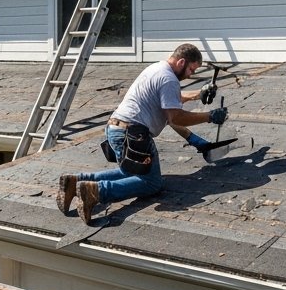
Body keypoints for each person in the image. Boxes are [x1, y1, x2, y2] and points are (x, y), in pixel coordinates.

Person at [58, 43, 226, 224]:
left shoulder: (157, 68)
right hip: (133, 135)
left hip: (116, 129)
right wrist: (209, 117)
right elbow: (175, 118)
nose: (191, 75)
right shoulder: (169, 79)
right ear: (182, 62)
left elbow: (170, 98)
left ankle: (75, 181)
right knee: (152, 183)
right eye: (191, 70)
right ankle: (97, 191)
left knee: (130, 173)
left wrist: (198, 94)